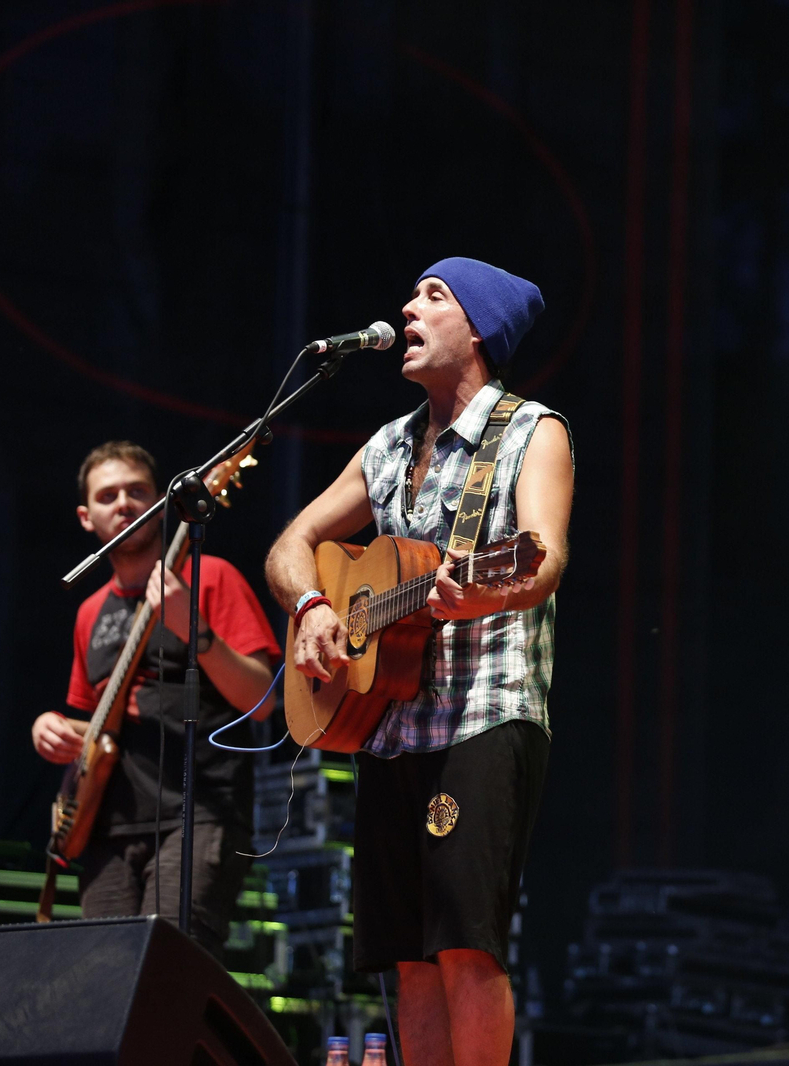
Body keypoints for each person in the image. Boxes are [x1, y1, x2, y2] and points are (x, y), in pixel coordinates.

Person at [265, 257, 573, 1066]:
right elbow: (290, 545)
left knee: (466, 945)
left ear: (478, 329)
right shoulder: (388, 446)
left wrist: (488, 593)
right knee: (407, 958)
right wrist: (315, 606)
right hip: (391, 725)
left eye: (432, 296)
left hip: (484, 711)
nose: (406, 307)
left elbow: (541, 561)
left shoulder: (533, 431)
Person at [31, 441, 280, 958]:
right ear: (86, 517)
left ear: (161, 503)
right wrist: (51, 727)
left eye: (136, 491)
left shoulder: (212, 578)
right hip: (108, 826)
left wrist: (197, 631)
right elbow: (100, 728)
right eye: (108, 495)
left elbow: (265, 700)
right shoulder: (89, 614)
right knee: (105, 985)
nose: (122, 502)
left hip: (198, 814)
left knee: (166, 973)